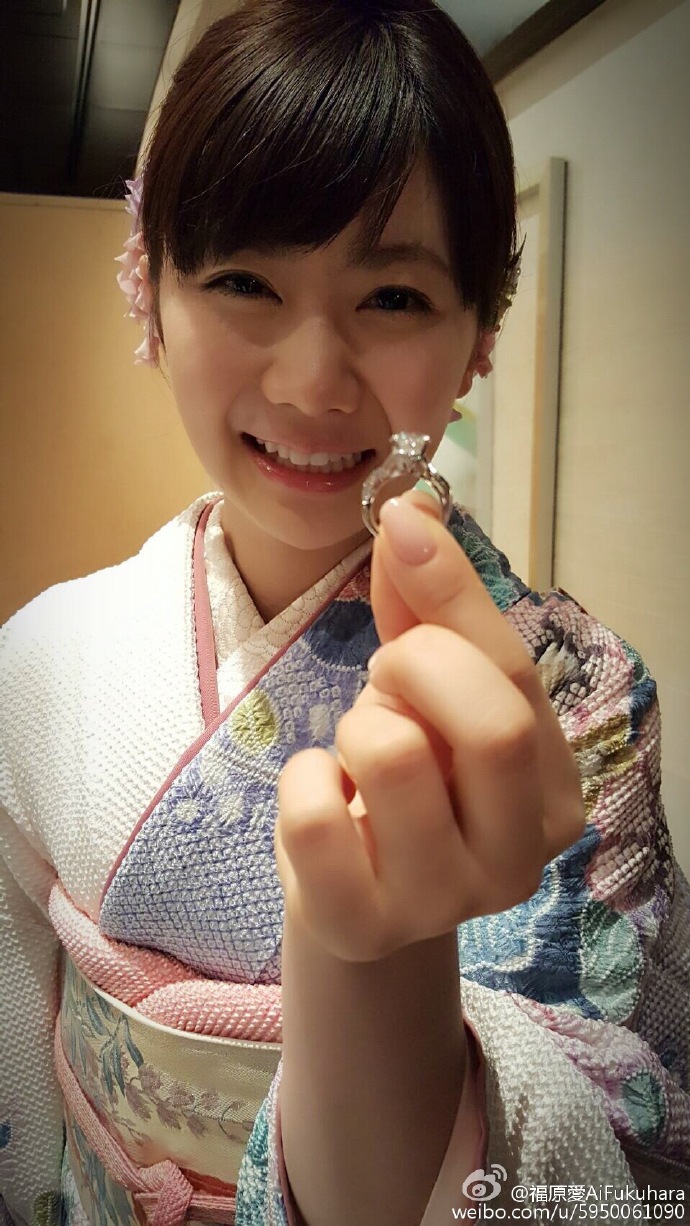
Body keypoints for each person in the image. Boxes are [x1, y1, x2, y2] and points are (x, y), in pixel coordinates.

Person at [1, 1, 688, 1222]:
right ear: (152, 299)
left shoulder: (576, 701)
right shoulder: (43, 653)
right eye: (244, 281)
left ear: (480, 333)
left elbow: (630, 1152)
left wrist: (380, 982)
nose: (313, 383)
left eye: (396, 298)